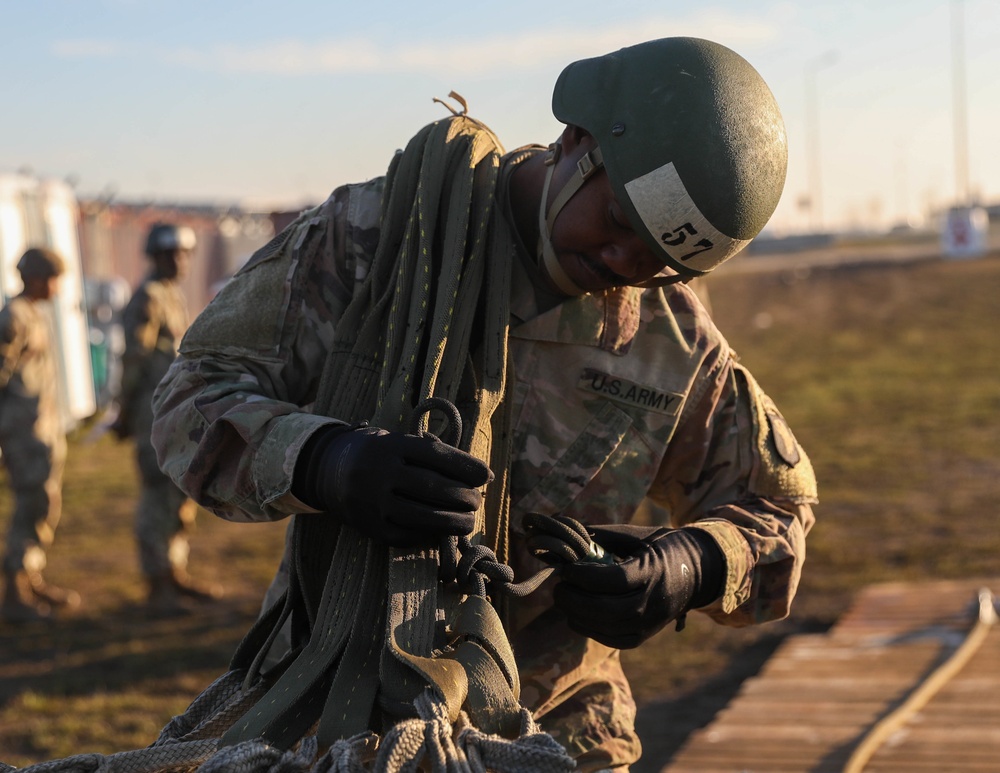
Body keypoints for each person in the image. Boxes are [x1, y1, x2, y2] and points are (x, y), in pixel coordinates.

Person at [151, 38, 817, 771]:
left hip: (558, 729)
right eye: (622, 222)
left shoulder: (671, 338)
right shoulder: (379, 241)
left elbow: (777, 508)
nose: (630, 263)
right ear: (578, 142)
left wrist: (689, 567)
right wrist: (325, 461)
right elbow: (192, 398)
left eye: (665, 259)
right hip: (349, 715)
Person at [115, 223, 221, 613]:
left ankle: (175, 574)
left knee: (179, 492)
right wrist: (123, 412)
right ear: (154, 257)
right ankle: (157, 584)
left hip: (176, 411)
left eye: (183, 253)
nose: (179, 261)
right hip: (151, 414)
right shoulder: (147, 298)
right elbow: (134, 360)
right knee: (157, 496)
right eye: (169, 254)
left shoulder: (171, 295)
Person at [0, 247, 81, 622]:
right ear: (34, 278)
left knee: (43, 505)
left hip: (40, 430)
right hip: (21, 433)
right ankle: (15, 592)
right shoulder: (13, 318)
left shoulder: (34, 314)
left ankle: (30, 577)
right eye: (52, 279)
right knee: (31, 505)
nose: (56, 287)